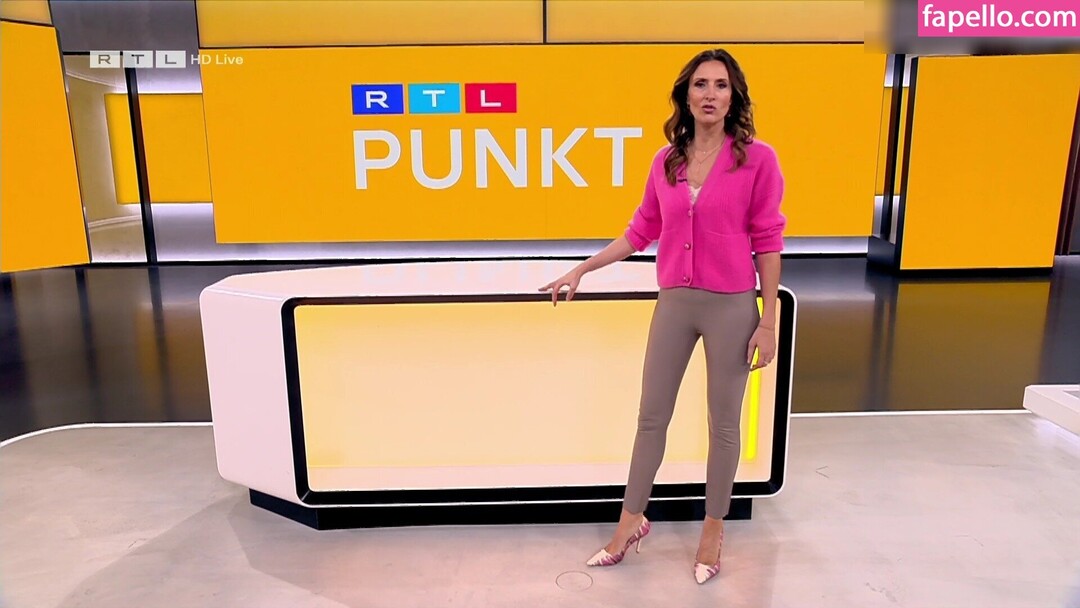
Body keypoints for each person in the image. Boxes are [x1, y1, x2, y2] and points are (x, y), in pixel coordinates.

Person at [539, 48, 786, 585]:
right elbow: (640, 231)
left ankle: (712, 532)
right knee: (651, 418)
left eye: (721, 85)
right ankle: (630, 523)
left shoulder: (758, 160)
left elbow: (768, 241)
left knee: (724, 424)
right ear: (685, 95)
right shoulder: (666, 161)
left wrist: (768, 320)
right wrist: (582, 269)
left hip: (732, 306)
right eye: (701, 84)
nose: (710, 94)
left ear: (734, 97)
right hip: (674, 302)